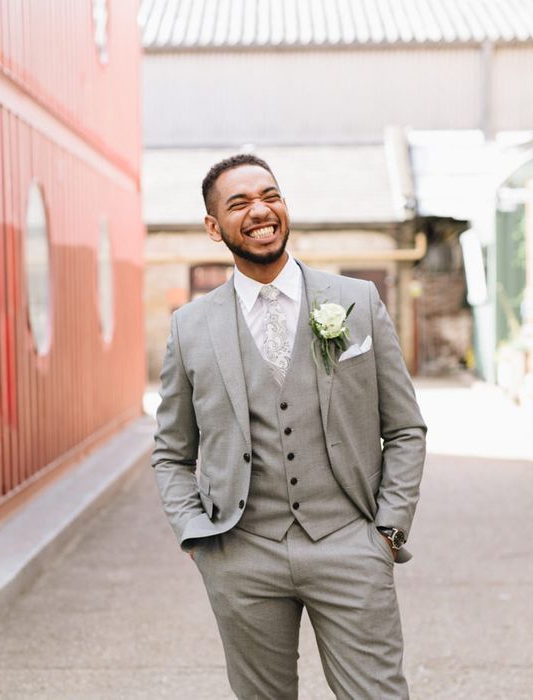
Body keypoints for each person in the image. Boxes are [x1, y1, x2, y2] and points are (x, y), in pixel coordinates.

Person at [152, 153, 426, 699]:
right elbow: (171, 451)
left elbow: (404, 428)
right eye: (240, 203)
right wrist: (196, 535)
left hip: (349, 541)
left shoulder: (356, 302)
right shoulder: (190, 327)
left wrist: (388, 529)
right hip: (241, 551)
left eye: (270, 196)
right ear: (214, 227)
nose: (260, 211)